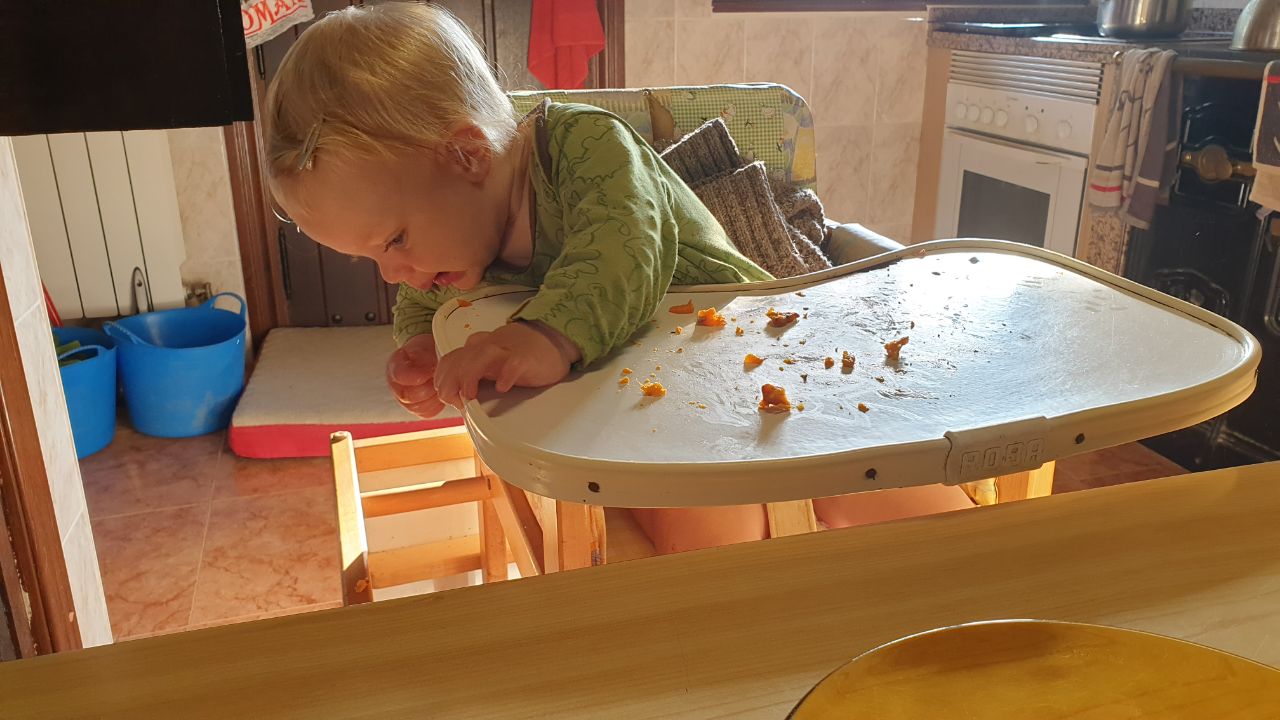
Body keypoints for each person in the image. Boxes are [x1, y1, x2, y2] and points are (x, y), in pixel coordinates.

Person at [263, 2, 972, 555]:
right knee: (715, 530)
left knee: (865, 483)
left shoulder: (586, 145)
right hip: (646, 404)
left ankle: (989, 585)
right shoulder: (455, 240)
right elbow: (432, 297)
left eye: (395, 241)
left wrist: (545, 335)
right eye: (374, 259)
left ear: (468, 156)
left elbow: (624, 250)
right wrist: (425, 341)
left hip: (747, 345)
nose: (395, 272)